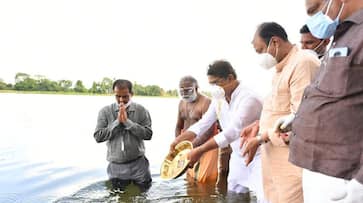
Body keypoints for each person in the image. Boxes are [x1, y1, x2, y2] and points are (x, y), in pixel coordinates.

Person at [274, 0, 363, 202]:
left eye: (315, 11)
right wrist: (297, 119)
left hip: (345, 176)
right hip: (320, 170)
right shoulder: (343, 35)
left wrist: (361, 182)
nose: (313, 20)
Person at [240, 22, 320, 203]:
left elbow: (301, 122)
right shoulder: (281, 68)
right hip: (272, 161)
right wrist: (258, 127)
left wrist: (261, 138)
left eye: (260, 50)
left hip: (292, 165)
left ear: (274, 42)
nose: (259, 57)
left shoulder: (303, 63)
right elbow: (279, 110)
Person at [170, 60, 267, 202]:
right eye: (211, 84)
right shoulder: (219, 98)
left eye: (217, 83)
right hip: (238, 156)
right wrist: (179, 140)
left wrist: (200, 150)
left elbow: (232, 132)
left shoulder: (248, 97)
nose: (214, 88)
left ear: (230, 78)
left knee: (266, 197)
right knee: (235, 195)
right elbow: (203, 123)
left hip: (260, 156)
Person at [94, 79, 153, 192]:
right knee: (117, 197)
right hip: (116, 167)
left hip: (139, 165)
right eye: (118, 96)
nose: (121, 100)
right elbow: (98, 136)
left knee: (144, 195)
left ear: (131, 94)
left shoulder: (141, 110)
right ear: (114, 94)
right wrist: (117, 122)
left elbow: (148, 134)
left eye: (125, 96)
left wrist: (128, 123)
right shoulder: (105, 111)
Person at [175, 75, 219, 183]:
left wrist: (192, 146)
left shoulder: (206, 102)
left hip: (207, 144)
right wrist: (178, 145)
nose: (185, 94)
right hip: (187, 144)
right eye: (182, 91)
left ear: (196, 88)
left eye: (188, 90)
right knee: (190, 178)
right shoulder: (181, 103)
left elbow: (208, 130)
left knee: (204, 180)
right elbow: (178, 126)